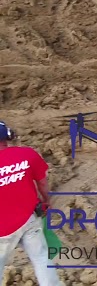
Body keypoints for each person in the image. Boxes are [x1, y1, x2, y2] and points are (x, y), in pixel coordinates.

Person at [0, 120, 62, 286]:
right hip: (29, 218)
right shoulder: (27, 154)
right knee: (41, 257)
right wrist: (46, 201)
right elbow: (42, 183)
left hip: (2, 228)